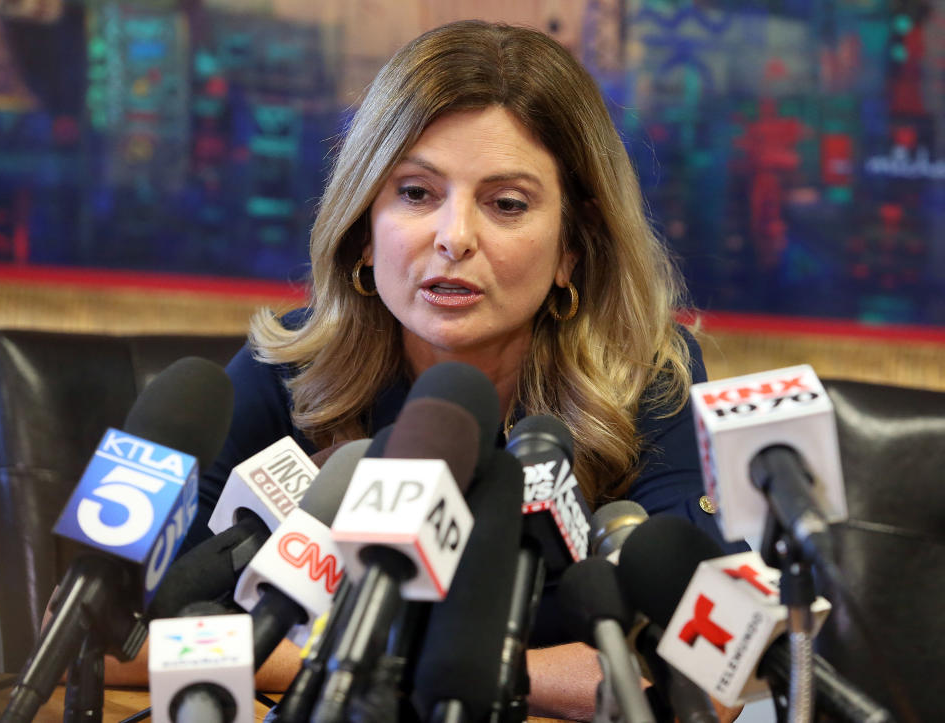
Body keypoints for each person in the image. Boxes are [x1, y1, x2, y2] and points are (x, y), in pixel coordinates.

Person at [98, 19, 745, 721]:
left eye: (506, 204)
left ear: (572, 249)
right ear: (364, 226)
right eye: (415, 192)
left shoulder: (646, 381)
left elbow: (710, 672)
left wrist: (424, 673)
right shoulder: (289, 368)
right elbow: (97, 632)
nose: (453, 237)